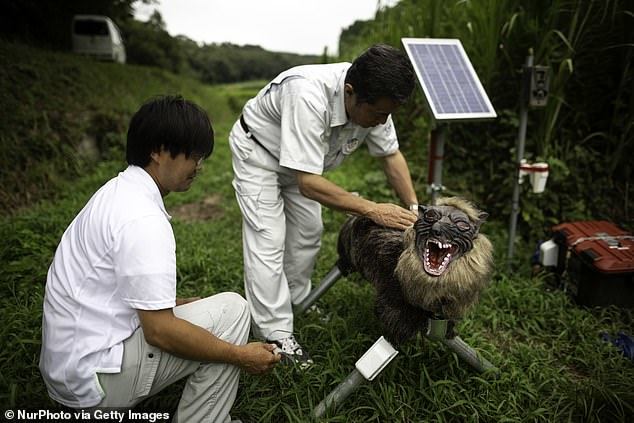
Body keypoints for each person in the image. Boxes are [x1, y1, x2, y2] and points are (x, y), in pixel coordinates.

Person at [39, 96, 280, 422]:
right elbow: (160, 332)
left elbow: (117, 292)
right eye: (193, 155)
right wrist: (240, 355)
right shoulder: (143, 219)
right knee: (234, 311)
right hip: (94, 382)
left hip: (70, 364)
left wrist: (180, 302)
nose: (199, 166)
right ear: (157, 150)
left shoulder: (117, 191)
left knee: (211, 309)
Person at [228, 44, 419, 367]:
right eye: (377, 114)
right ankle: (275, 333)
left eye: (388, 114)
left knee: (308, 231)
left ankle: (298, 299)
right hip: (260, 156)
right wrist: (372, 209)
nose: (382, 121)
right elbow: (308, 182)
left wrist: (414, 210)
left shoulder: (375, 98)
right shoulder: (307, 94)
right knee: (268, 238)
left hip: (303, 167)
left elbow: (390, 155)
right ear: (350, 92)